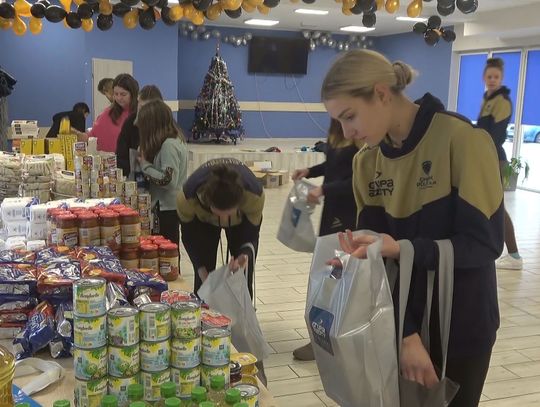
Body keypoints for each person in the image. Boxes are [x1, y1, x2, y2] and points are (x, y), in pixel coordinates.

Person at [321, 50, 504, 407]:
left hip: (462, 327)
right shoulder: (366, 163)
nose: (346, 132)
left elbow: (483, 244)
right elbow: (375, 256)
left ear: (381, 94)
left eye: (349, 116)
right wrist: (405, 334)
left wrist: (402, 248)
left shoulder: (463, 140)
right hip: (398, 325)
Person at [291, 118, 360, 361]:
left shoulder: (362, 135)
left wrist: (324, 190)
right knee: (323, 277)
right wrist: (310, 172)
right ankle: (320, 336)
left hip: (349, 216)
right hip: (331, 215)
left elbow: (359, 181)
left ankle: (333, 337)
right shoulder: (337, 130)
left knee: (338, 278)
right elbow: (333, 166)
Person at [176, 158, 264, 298]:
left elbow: (251, 235)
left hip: (240, 224)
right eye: (218, 214)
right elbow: (189, 237)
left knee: (242, 275)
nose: (223, 220)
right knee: (204, 281)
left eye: (227, 214)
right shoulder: (187, 198)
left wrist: (244, 255)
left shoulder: (254, 195)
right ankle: (203, 317)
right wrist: (200, 267)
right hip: (203, 222)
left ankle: (242, 317)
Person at [477, 57, 522, 270]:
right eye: (489, 77)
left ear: (501, 78)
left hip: (494, 157)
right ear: (484, 78)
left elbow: (495, 135)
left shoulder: (502, 100)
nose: (492, 80)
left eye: (496, 77)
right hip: (485, 155)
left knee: (497, 206)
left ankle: (514, 255)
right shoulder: (488, 97)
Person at [137, 100, 187, 248]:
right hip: (169, 207)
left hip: (167, 210)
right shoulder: (174, 140)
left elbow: (168, 180)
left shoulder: (169, 145)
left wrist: (145, 166)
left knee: (166, 251)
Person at [81, 74, 139, 153]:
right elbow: (92, 137)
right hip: (110, 162)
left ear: (133, 94)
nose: (118, 98)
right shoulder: (108, 113)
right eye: (116, 94)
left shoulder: (141, 113)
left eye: (123, 94)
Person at [116, 85, 163, 178]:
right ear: (138, 101)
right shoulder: (130, 123)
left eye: (148, 109)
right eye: (141, 107)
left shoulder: (164, 126)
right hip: (132, 179)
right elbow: (121, 155)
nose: (143, 113)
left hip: (156, 181)